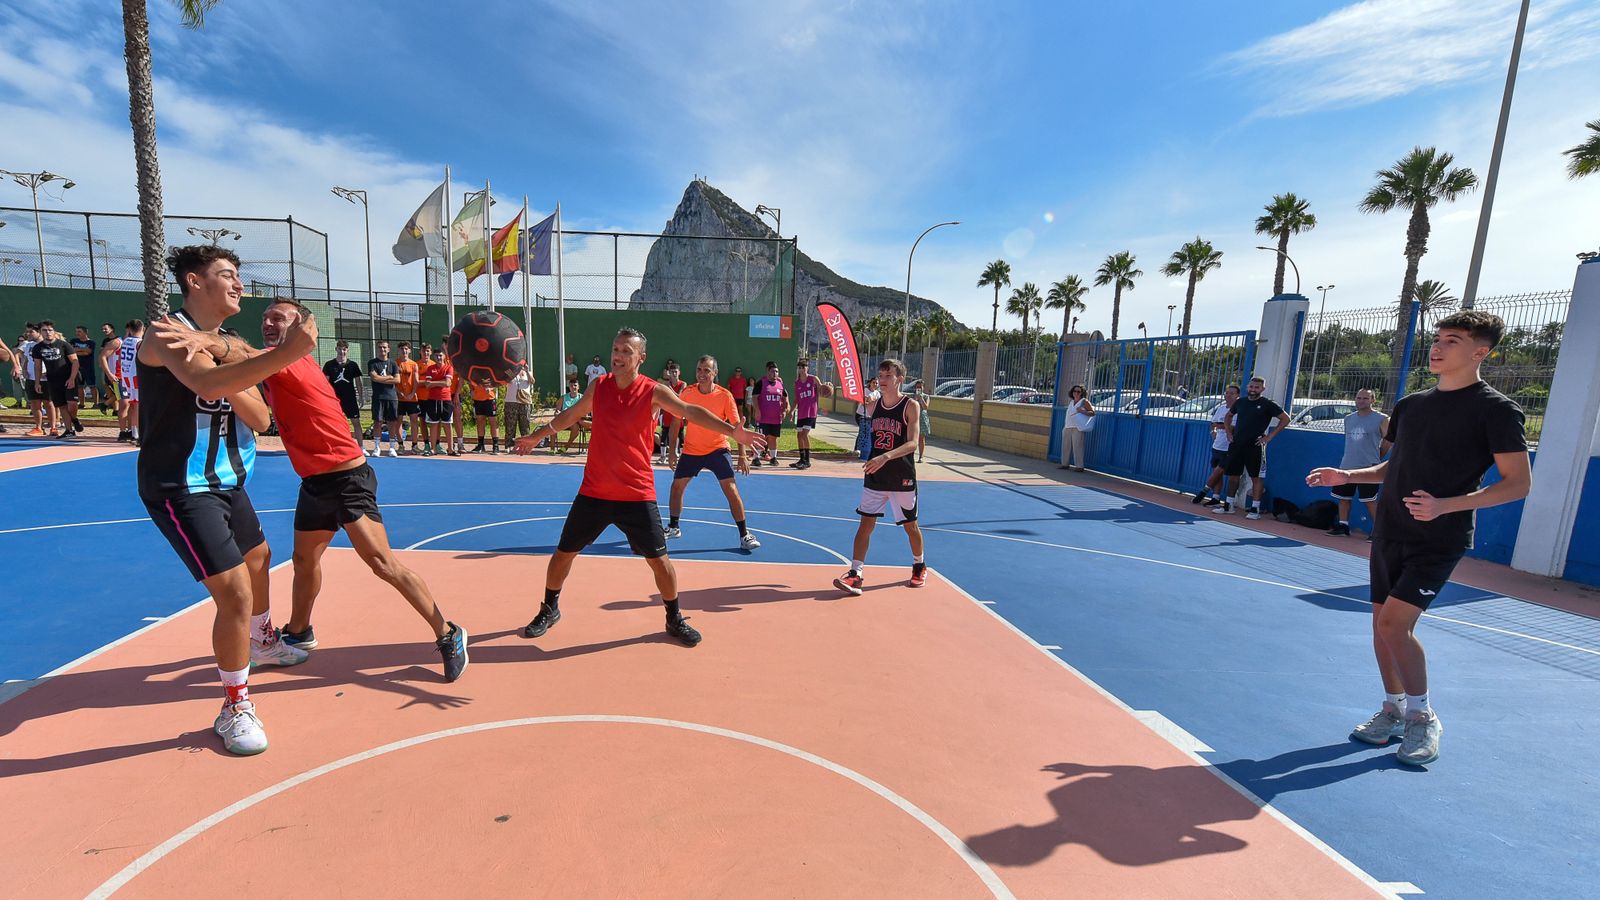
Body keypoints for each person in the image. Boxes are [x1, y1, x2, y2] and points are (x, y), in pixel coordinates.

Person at [165, 299, 469, 680]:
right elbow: (242, 367)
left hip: (347, 479)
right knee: (304, 561)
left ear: (303, 330)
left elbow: (240, 351)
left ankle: (448, 632)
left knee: (382, 564)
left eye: (279, 318)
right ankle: (299, 631)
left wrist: (199, 337)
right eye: (265, 318)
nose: (268, 323)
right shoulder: (273, 363)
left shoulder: (290, 359)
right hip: (314, 482)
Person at [1308, 311, 1530, 767]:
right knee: (1380, 627)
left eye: (1452, 340)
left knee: (1395, 626)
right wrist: (1348, 474)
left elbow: (1517, 483)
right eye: (1437, 338)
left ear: (1480, 352)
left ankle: (1422, 716)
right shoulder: (1410, 405)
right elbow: (1393, 468)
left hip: (1439, 536)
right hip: (1389, 528)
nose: (1438, 346)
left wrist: (1447, 505)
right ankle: (1391, 708)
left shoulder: (1497, 410)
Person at [137, 244, 314, 755]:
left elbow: (260, 419)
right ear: (194, 281)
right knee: (234, 593)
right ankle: (234, 705)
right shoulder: (166, 333)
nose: (239, 284)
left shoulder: (224, 341)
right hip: (181, 485)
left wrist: (222, 353)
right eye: (227, 275)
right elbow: (202, 382)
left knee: (259, 558)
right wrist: (282, 356)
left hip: (227, 481)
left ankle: (261, 642)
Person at [513, 328, 765, 647]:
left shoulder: (653, 391)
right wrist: (539, 434)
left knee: (660, 561)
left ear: (640, 359)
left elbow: (690, 412)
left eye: (625, 352)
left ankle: (674, 618)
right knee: (563, 554)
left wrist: (733, 433)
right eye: (615, 349)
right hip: (595, 491)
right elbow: (570, 415)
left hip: (636, 493)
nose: (617, 356)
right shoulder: (598, 386)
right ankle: (549, 608)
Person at [833, 359, 924, 595]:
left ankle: (919, 565)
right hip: (876, 474)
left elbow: (913, 443)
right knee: (865, 524)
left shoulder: (910, 405)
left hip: (901, 475)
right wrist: (828, 388)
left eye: (888, 376)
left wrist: (885, 457)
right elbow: (851, 399)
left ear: (900, 379)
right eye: (880, 376)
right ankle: (856, 573)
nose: (882, 380)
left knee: (910, 527)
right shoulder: (873, 405)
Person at [666, 355, 760, 549]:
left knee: (731, 489)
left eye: (706, 370)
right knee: (676, 487)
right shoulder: (687, 393)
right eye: (699, 370)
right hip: (692, 450)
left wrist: (742, 456)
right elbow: (676, 423)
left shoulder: (725, 395)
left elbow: (737, 427)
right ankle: (674, 527)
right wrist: (673, 451)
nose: (702, 374)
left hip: (718, 449)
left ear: (715, 373)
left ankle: (745, 535)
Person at [1216, 376, 1290, 520]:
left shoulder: (1267, 404)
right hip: (1237, 445)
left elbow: (1285, 419)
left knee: (1256, 477)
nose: (1253, 390)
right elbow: (1228, 416)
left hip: (1255, 446)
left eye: (1257, 387)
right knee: (1233, 476)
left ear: (1262, 389)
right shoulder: (1240, 402)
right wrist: (1229, 433)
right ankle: (1228, 505)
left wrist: (1269, 437)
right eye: (1251, 387)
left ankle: (1255, 509)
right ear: (1247, 387)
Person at [1329, 388, 1392, 538]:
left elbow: (1388, 440)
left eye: (1365, 398)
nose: (1361, 401)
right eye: (1358, 398)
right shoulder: (1348, 418)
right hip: (1347, 465)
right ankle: (1343, 526)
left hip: (1368, 467)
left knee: (1369, 500)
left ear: (1372, 400)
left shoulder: (1382, 419)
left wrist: (1378, 458)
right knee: (1343, 498)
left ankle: (1378, 532)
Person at [1191, 384, 1240, 509]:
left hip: (1229, 447)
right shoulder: (1221, 408)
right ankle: (1216, 497)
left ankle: (1204, 492)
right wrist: (1213, 431)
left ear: (1237, 395)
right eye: (1227, 393)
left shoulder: (1239, 411)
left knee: (1220, 471)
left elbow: (1235, 428)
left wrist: (1223, 425)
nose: (1228, 395)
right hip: (1217, 445)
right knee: (1216, 473)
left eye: (1232, 393)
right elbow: (1213, 423)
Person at [30, 321, 81, 437]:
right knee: (62, 405)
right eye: (44, 330)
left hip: (68, 378)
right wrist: (37, 383)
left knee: (72, 404)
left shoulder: (64, 345)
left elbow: (75, 362)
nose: (47, 333)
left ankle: (74, 419)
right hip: (53, 381)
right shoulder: (38, 348)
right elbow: (37, 366)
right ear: (40, 332)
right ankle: (69, 431)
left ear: (54, 331)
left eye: (50, 330)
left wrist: (72, 378)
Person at [787, 359, 832, 469]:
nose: (802, 369)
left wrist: (828, 386)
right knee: (799, 435)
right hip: (801, 412)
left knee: (804, 434)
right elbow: (796, 399)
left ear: (807, 368)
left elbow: (822, 389)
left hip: (811, 412)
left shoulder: (813, 379)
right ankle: (801, 459)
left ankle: (807, 460)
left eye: (804, 367)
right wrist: (792, 411)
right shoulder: (797, 383)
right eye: (800, 367)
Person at [322, 340, 363, 446]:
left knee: (356, 422)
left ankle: (361, 447)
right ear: (336, 349)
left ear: (347, 350)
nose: (342, 351)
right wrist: (325, 399)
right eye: (339, 349)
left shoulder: (353, 365)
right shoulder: (329, 365)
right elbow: (325, 383)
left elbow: (358, 382)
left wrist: (361, 397)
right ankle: (334, 445)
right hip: (334, 400)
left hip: (350, 399)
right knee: (333, 423)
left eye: (344, 349)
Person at [112, 319, 144, 443]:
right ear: (143, 329)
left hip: (126, 377)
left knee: (135, 406)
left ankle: (135, 434)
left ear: (130, 329)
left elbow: (119, 360)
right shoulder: (140, 343)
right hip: (136, 376)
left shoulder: (125, 341)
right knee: (139, 406)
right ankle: (138, 435)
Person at [751, 361, 789, 467]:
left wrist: (785, 409)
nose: (775, 373)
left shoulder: (780, 384)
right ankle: (755, 458)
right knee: (761, 437)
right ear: (768, 372)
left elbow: (785, 397)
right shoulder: (761, 383)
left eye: (777, 371)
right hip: (763, 417)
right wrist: (757, 410)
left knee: (773, 438)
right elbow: (754, 397)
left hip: (776, 418)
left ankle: (773, 458)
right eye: (773, 371)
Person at [367, 339, 401, 457]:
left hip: (392, 397)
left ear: (388, 349)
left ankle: (392, 448)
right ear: (377, 349)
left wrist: (383, 378)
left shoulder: (393, 364)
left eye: (384, 347)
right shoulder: (372, 363)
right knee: (378, 422)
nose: (382, 349)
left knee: (392, 422)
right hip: (378, 397)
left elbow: (397, 380)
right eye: (380, 347)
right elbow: (374, 378)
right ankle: (377, 447)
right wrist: (389, 377)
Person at [420, 347, 455, 456]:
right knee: (434, 424)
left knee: (447, 424)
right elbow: (427, 384)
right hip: (432, 400)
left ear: (444, 356)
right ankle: (433, 449)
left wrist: (434, 383)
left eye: (441, 355)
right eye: (437, 356)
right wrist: (441, 382)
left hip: (446, 400)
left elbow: (448, 383)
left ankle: (450, 449)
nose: (439, 357)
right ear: (434, 357)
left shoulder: (449, 368)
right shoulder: (430, 368)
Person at [395, 341, 423, 454]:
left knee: (414, 421)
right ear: (399, 350)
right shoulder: (394, 363)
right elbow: (393, 380)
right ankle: (400, 445)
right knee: (398, 421)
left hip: (412, 398)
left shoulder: (414, 364)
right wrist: (399, 392)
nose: (404, 351)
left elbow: (416, 381)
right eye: (402, 349)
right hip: (399, 398)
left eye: (406, 349)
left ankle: (414, 446)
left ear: (410, 351)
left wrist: (412, 393)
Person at [1059, 384, 1095, 472]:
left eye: (1078, 391)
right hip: (1068, 426)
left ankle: (1079, 466)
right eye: (1075, 391)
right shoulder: (1071, 402)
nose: (1076, 393)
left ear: (1082, 393)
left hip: (1077, 427)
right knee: (1065, 446)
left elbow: (1092, 413)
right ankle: (1065, 464)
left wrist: (1083, 411)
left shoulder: (1084, 401)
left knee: (1078, 447)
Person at [17, 323, 44, 435]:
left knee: (49, 403)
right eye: (27, 332)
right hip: (31, 378)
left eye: (31, 332)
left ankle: (54, 427)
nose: (28, 334)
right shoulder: (28, 345)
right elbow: (27, 359)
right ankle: (38, 428)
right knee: (34, 403)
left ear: (39, 332)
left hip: (45, 378)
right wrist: (23, 369)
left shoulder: (47, 344)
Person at [503, 363, 534, 442]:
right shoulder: (510, 372)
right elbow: (506, 382)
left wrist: (526, 372)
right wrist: (513, 372)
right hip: (511, 401)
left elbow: (532, 381)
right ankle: (509, 445)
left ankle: (525, 444)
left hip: (525, 402)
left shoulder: (528, 373)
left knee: (525, 425)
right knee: (510, 424)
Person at [469, 375, 500, 454]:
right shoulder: (475, 370)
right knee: (480, 421)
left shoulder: (490, 369)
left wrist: (491, 388)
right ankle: (481, 445)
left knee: (493, 421)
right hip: (478, 398)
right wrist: (471, 390)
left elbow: (498, 381)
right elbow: (470, 379)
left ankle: (496, 446)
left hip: (489, 398)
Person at [70, 325, 97, 411]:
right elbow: (71, 351)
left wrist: (77, 350)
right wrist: (82, 350)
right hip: (77, 367)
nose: (77, 333)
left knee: (92, 385)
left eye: (79, 331)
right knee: (79, 386)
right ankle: (81, 404)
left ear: (85, 332)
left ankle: (96, 403)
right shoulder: (73, 341)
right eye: (76, 331)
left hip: (88, 367)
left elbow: (88, 352)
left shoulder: (91, 343)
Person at [854, 376, 881, 460]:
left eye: (876, 383)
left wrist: (872, 401)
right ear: (870, 383)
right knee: (863, 430)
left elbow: (877, 404)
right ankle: (857, 449)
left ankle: (866, 449)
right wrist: (871, 401)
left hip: (870, 416)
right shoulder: (865, 391)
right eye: (873, 382)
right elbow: (864, 402)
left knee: (866, 431)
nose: (875, 384)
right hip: (861, 414)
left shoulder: (877, 393)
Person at [558, 378, 586, 452]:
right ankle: (551, 449)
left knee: (575, 428)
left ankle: (566, 447)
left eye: (575, 385)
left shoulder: (582, 398)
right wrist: (557, 412)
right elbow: (557, 410)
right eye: (571, 385)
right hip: (563, 419)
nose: (573, 387)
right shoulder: (563, 397)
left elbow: (585, 411)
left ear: (578, 387)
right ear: (569, 387)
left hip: (575, 420)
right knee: (552, 425)